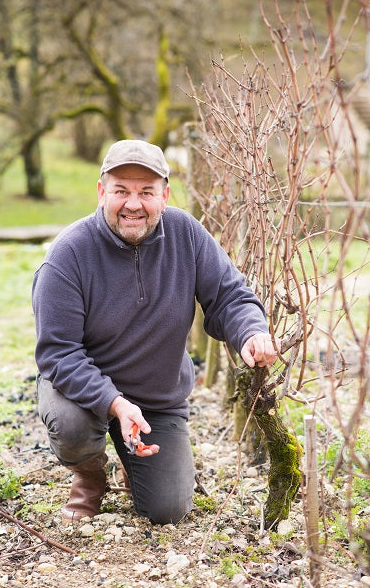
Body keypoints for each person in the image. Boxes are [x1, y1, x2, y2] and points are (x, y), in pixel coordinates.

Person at [32, 139, 279, 526]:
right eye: (121, 191)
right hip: (81, 392)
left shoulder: (186, 234)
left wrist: (250, 332)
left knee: (168, 511)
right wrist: (114, 402)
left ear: (164, 196)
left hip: (156, 400)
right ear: (101, 193)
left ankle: (135, 465)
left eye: (146, 192)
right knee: (72, 426)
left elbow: (230, 295)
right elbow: (58, 353)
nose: (133, 204)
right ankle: (90, 476)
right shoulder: (68, 254)